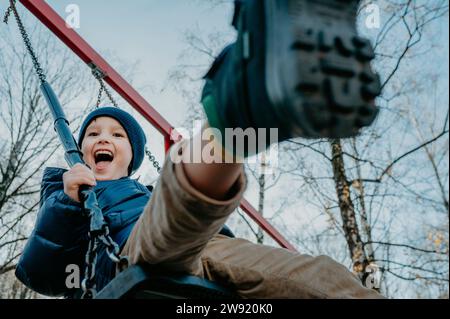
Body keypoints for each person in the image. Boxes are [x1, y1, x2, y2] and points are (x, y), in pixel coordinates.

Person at [16, 0, 383, 298]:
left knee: (319, 275)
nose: (103, 140)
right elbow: (38, 274)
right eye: (92, 135)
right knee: (171, 220)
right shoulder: (64, 191)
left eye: (117, 135)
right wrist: (66, 202)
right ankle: (239, 109)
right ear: (80, 153)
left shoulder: (146, 191)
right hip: (129, 261)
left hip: (210, 250)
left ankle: (252, 98)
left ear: (132, 156)